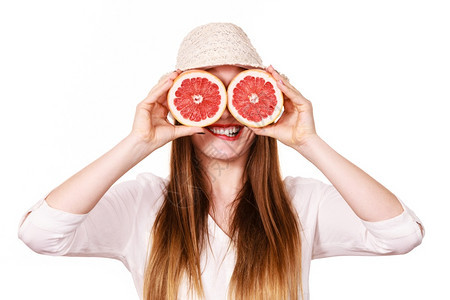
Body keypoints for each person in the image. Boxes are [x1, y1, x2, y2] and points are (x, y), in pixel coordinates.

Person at [18, 22, 425, 300]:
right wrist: (137, 142)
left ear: (266, 103)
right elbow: (41, 233)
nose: (227, 112)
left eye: (242, 92)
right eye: (209, 93)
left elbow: (400, 234)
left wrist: (309, 141)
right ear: (179, 104)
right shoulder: (143, 205)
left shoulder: (302, 204)